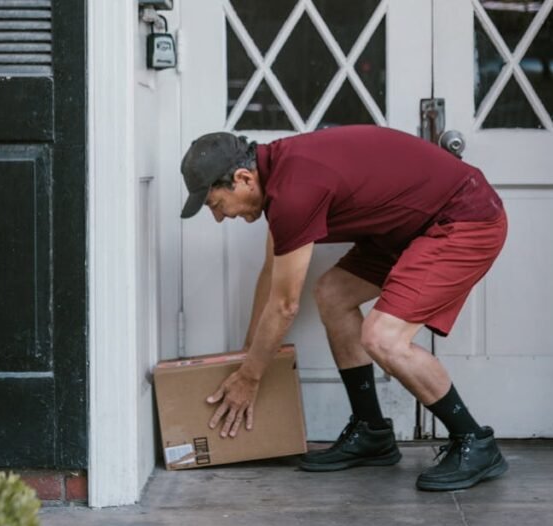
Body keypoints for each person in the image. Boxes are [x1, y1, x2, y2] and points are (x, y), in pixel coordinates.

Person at [179, 125, 508, 491]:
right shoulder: (278, 178)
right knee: (333, 294)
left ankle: (475, 441)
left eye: (216, 204)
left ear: (242, 179)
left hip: (464, 218)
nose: (220, 217)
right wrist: (246, 358)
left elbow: (286, 305)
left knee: (384, 338)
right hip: (405, 228)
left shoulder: (293, 192)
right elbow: (273, 275)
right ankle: (372, 432)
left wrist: (251, 378)